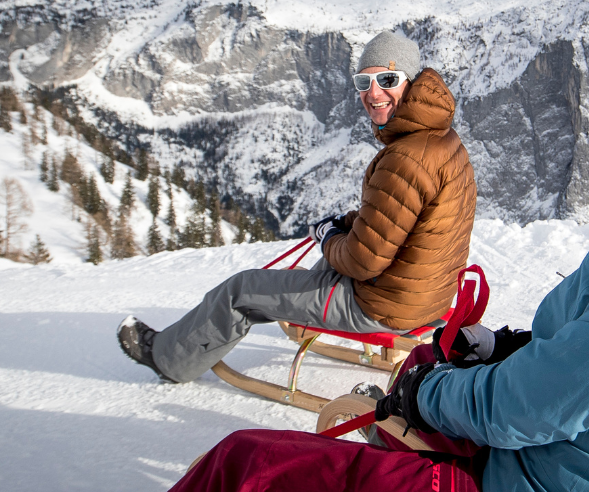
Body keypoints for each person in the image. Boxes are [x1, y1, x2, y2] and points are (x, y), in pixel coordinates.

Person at [167, 8, 589, 492]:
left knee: (243, 464)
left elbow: (523, 409)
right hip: (572, 460)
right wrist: (509, 347)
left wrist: (431, 393)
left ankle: (171, 355)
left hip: (541, 475)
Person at [117, 30, 478, 385]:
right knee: (319, 269)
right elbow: (402, 219)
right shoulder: (441, 140)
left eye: (387, 79)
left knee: (240, 290)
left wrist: (328, 238)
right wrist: (347, 225)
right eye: (363, 82)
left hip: (385, 305)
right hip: (428, 295)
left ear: (411, 81)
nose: (373, 93)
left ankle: (168, 359)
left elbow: (363, 261)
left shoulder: (406, 158)